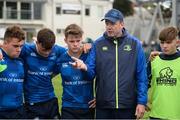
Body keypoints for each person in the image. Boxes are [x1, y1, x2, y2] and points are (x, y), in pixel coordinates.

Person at [70, 8, 148, 119]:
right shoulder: (97, 44)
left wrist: (141, 102)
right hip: (103, 106)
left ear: (121, 24)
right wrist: (84, 68)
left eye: (112, 23)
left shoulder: (135, 44)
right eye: (107, 23)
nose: (109, 26)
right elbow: (90, 74)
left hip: (127, 106)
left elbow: (142, 76)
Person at [21, 28, 65, 119]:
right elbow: (8, 46)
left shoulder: (58, 50)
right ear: (37, 42)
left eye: (50, 49)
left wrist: (85, 47)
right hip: (33, 103)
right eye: (44, 49)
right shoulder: (26, 49)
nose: (47, 53)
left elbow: (73, 52)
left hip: (51, 100)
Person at [56, 24, 95, 119]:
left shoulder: (89, 55)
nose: (75, 44)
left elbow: (97, 76)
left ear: (82, 39)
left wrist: (100, 97)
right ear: (65, 41)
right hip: (68, 107)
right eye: (72, 41)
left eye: (78, 41)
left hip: (87, 107)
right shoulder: (61, 58)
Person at [147, 26, 180, 119]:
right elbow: (143, 82)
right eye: (162, 42)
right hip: (155, 115)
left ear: (177, 42)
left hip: (176, 116)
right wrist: (142, 101)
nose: (164, 46)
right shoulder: (153, 60)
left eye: (168, 42)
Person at [0, 25, 26, 118]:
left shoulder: (21, 60)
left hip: (19, 112)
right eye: (15, 46)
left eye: (21, 46)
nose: (19, 49)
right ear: (5, 43)